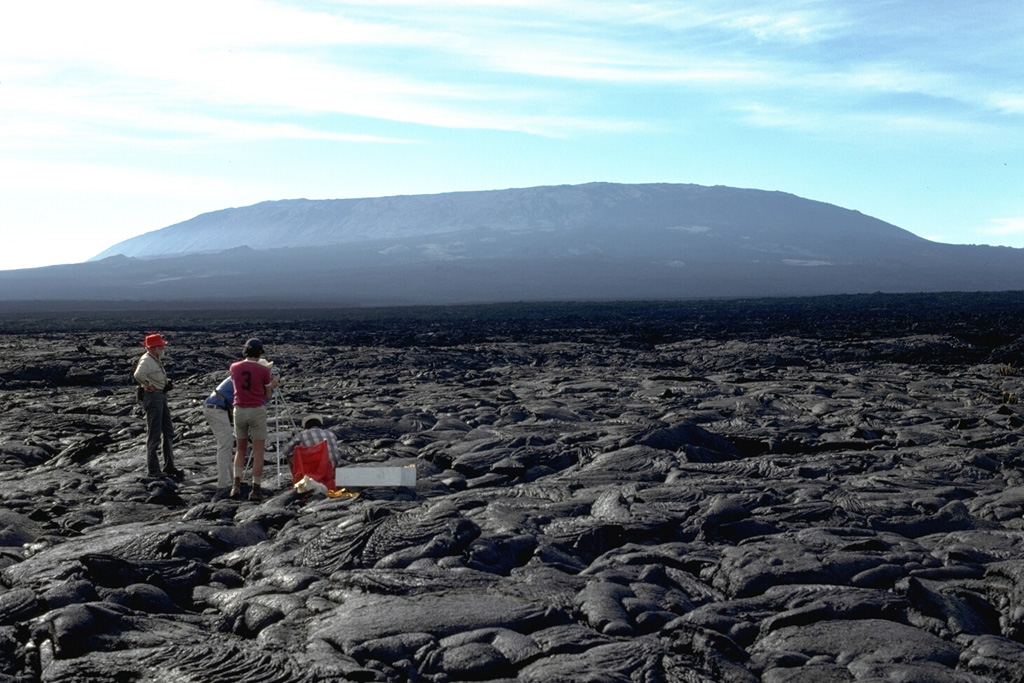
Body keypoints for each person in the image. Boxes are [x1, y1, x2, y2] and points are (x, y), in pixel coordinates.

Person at [229, 338, 279, 501]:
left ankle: (236, 485)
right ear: (259, 353)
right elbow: (266, 394)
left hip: (239, 410)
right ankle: (255, 489)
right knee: (258, 451)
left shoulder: (234, 367)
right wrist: (273, 384)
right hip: (256, 410)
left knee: (240, 449)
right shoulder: (263, 370)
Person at [133, 333, 182, 478]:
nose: (163, 348)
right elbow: (138, 375)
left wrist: (165, 384)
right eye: (161, 346)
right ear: (154, 348)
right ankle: (153, 470)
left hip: (160, 397)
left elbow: (153, 376)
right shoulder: (147, 360)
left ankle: (169, 466)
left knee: (168, 431)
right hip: (153, 399)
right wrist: (148, 385)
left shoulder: (155, 359)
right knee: (154, 435)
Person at [203, 375, 235, 498]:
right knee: (225, 445)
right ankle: (224, 484)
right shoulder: (245, 377)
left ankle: (229, 480)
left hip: (214, 407)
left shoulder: (240, 374)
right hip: (216, 409)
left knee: (226, 444)